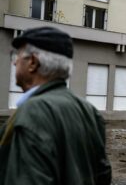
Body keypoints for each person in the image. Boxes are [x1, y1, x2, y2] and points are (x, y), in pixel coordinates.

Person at [0, 27, 111, 185]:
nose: (14, 61)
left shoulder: (34, 112)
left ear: (33, 62)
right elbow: (103, 173)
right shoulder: (89, 110)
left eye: (17, 55)